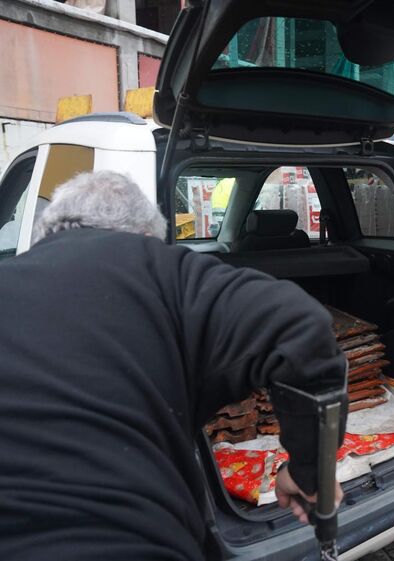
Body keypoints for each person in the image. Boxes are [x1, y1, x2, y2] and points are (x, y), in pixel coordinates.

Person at [0, 171, 348, 560]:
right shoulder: (161, 268)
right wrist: (309, 473)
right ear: (149, 238)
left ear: (46, 233)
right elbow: (302, 329)